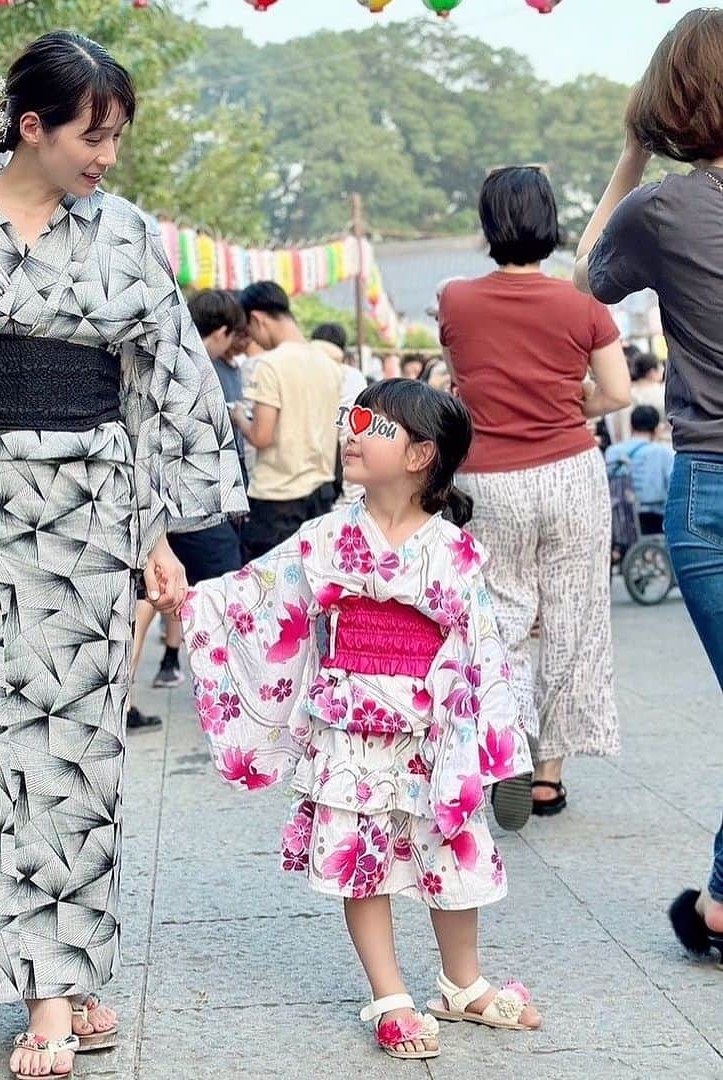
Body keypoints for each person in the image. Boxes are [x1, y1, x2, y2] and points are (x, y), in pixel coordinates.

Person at [0, 31, 247, 1080]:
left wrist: (162, 536)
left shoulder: (122, 235)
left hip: (91, 508)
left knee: (80, 750)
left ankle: (64, 985)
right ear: (30, 127)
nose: (106, 156)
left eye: (115, 137)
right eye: (93, 134)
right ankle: (41, 990)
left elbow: (162, 387)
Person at [181, 380, 541, 1061]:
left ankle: (462, 983)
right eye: (354, 416)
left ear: (420, 455)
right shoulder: (327, 536)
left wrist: (487, 740)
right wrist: (198, 602)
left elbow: (482, 643)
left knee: (450, 847)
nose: (353, 429)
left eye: (374, 423)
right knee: (361, 857)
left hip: (431, 724)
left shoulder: (456, 551)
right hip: (349, 723)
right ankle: (391, 992)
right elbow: (259, 593)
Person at [572, 6, 723, 968]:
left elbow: (579, 293)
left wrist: (629, 158)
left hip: (709, 483)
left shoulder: (661, 209)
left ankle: (719, 901)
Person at [440, 166, 630, 821]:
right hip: (571, 471)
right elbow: (619, 394)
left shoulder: (455, 299)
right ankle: (548, 776)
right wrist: (575, 399)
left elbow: (459, 376)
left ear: (490, 225)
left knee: (502, 620)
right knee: (573, 619)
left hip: (488, 477)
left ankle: (508, 753)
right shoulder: (584, 306)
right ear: (550, 222)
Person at [143, 290, 247, 690]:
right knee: (224, 601)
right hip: (201, 506)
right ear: (220, 331)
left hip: (158, 508)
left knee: (152, 597)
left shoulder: (158, 356)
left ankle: (145, 681)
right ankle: (232, 687)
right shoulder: (201, 366)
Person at [233, 282, 344, 560]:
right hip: (320, 494)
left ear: (258, 319)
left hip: (276, 501)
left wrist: (238, 417)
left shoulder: (270, 365)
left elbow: (261, 436)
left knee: (268, 592)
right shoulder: (329, 366)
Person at [313, 321, 367, 507]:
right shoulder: (354, 376)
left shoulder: (309, 374)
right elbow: (349, 429)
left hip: (317, 466)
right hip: (344, 466)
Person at [604, 404, 674, 536]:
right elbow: (672, 488)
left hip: (619, 518)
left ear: (631, 426)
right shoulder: (663, 452)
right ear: (657, 429)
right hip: (653, 519)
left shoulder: (612, 452)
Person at [610, 350, 671, 446]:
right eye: (660, 368)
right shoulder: (665, 392)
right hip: (663, 447)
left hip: (628, 452)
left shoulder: (625, 395)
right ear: (651, 372)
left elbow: (617, 429)